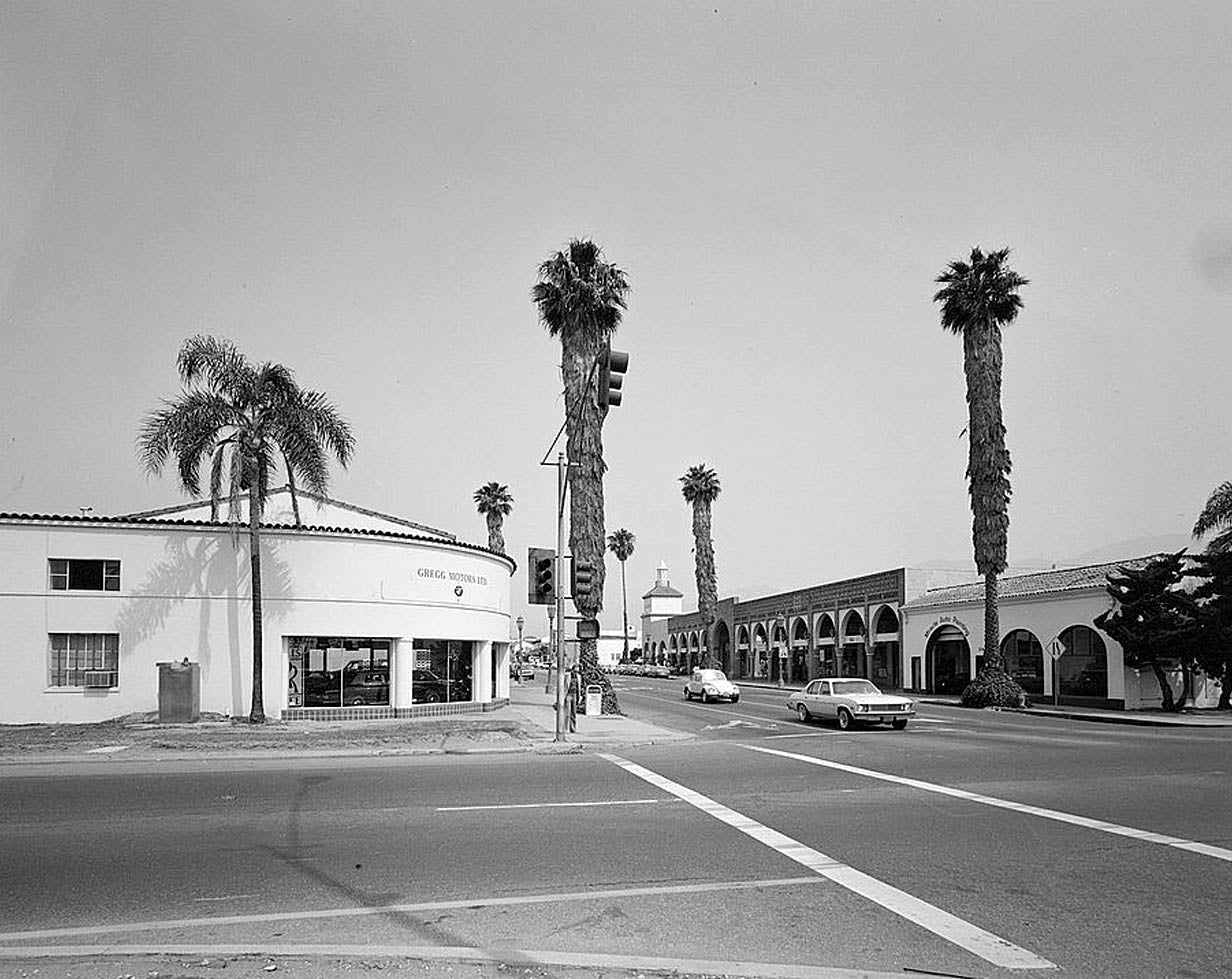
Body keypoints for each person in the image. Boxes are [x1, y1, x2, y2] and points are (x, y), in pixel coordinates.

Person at [565, 666, 579, 733]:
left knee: (573, 712)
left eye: (577, 671)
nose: (575, 673)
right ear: (572, 670)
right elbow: (565, 686)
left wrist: (579, 696)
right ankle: (565, 728)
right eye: (575, 671)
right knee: (567, 712)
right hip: (568, 694)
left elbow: (579, 687)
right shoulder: (568, 676)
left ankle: (573, 728)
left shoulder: (578, 677)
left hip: (575, 694)